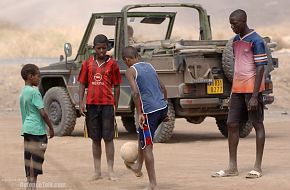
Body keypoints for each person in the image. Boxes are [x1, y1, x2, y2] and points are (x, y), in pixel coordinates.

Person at [212, 9, 268, 178]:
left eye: (234, 23)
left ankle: (257, 167)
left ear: (243, 21)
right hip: (237, 90)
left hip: (252, 90)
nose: (232, 26)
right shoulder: (235, 41)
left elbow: (260, 68)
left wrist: (254, 96)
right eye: (230, 23)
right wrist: (232, 91)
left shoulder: (257, 41)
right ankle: (232, 167)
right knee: (231, 124)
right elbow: (237, 67)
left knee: (257, 124)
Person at [122, 46, 168, 190]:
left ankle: (152, 184)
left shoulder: (130, 71)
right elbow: (163, 87)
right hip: (162, 108)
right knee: (142, 136)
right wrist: (165, 107)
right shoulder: (149, 66)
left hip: (149, 112)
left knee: (148, 147)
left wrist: (140, 113)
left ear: (127, 60)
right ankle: (138, 166)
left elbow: (135, 93)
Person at [78, 34, 122, 181]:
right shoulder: (87, 63)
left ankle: (111, 170)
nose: (102, 51)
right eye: (99, 48)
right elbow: (82, 84)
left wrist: (115, 104)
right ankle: (97, 171)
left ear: (107, 47)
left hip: (107, 105)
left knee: (108, 138)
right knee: (95, 139)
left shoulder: (113, 64)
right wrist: (81, 102)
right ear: (94, 48)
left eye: (104, 48)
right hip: (91, 105)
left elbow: (117, 86)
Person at [20, 64, 54, 189]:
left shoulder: (23, 92)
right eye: (38, 76)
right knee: (37, 158)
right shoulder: (35, 92)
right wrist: (51, 127)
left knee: (28, 157)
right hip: (37, 131)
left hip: (27, 130)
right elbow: (43, 113)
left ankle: (29, 184)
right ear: (30, 76)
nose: (39, 79)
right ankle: (33, 186)